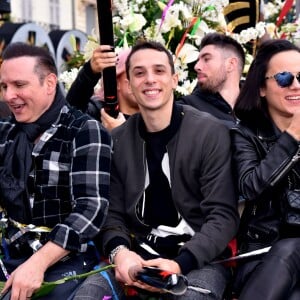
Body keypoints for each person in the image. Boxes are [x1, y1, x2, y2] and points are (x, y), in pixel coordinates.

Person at [74, 40, 239, 300]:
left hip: (197, 258)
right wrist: (121, 254)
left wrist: (179, 264)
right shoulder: (117, 139)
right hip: (137, 253)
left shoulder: (210, 132)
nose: (150, 79)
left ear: (174, 79)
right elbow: (111, 213)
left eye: (159, 71)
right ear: (128, 84)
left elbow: (222, 216)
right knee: (87, 296)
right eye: (139, 73)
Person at [0, 42, 112, 299]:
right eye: (4, 87)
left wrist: (38, 263)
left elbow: (91, 209)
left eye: (19, 85)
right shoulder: (6, 131)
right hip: (11, 253)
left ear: (50, 83)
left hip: (67, 260)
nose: (8, 96)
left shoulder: (85, 130)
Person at [230, 39, 300, 299]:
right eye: (284, 78)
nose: (296, 85)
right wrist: (292, 136)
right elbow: (250, 187)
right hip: (264, 254)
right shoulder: (246, 134)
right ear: (261, 87)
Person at [177, 32, 245, 128]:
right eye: (198, 60)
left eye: (206, 59)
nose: (197, 67)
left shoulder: (261, 107)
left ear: (231, 64)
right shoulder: (186, 109)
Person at [66, 45, 139, 131]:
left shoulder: (155, 120)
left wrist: (120, 134)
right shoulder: (98, 113)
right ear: (116, 82)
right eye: (138, 73)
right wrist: (90, 71)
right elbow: (71, 112)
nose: (147, 80)